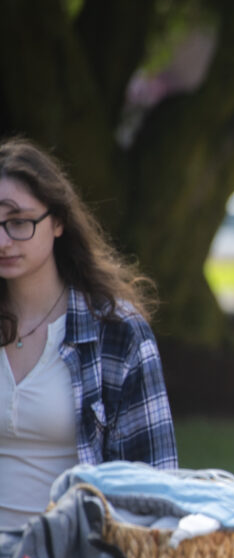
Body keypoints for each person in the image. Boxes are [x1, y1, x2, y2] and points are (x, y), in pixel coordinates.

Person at [0, 138, 176, 528]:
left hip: (72, 555)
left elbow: (155, 484)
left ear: (57, 222)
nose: (3, 241)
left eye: (18, 221)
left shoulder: (117, 332)